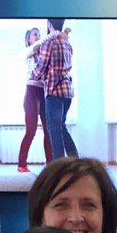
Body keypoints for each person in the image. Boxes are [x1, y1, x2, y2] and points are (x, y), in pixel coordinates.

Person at [31, 18, 77, 161]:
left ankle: (60, 166)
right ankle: (75, 160)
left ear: (49, 24)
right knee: (61, 127)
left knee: (54, 129)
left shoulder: (48, 42)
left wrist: (32, 74)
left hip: (54, 91)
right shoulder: (67, 43)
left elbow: (40, 68)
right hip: (67, 92)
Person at [17, 27, 53, 173]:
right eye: (35, 35)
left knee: (48, 130)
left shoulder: (43, 55)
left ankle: (50, 164)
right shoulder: (28, 52)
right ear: (29, 39)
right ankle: (21, 165)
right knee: (30, 131)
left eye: (39, 35)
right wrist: (55, 34)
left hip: (43, 92)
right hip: (31, 92)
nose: (38, 37)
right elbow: (37, 46)